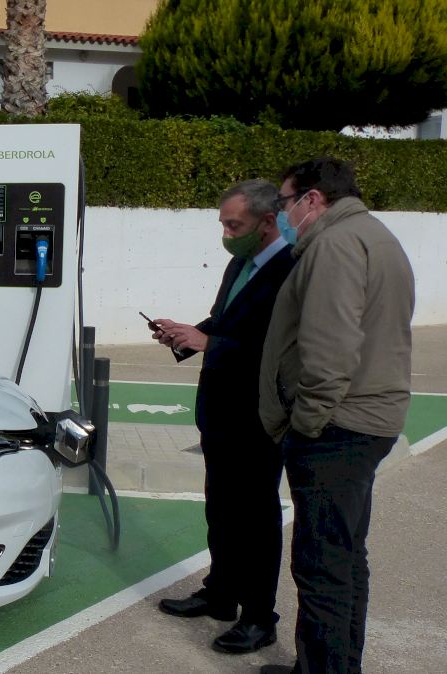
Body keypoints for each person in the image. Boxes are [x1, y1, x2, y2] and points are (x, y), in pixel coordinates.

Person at [257, 158, 415, 674]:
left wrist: (307, 422)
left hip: (337, 426)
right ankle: (336, 666)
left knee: (322, 563)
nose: (283, 213)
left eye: (285, 202)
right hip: (366, 418)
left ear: (312, 199)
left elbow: (330, 349)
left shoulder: (334, 245)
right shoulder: (375, 236)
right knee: (344, 557)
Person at [151, 179, 297, 654]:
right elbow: (225, 320)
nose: (226, 234)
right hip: (219, 412)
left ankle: (259, 616)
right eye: (223, 224)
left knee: (255, 517)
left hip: (258, 415)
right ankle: (220, 594)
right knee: (221, 508)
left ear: (267, 221)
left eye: (234, 225)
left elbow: (278, 350)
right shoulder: (242, 263)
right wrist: (186, 334)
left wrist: (210, 343)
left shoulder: (292, 269)